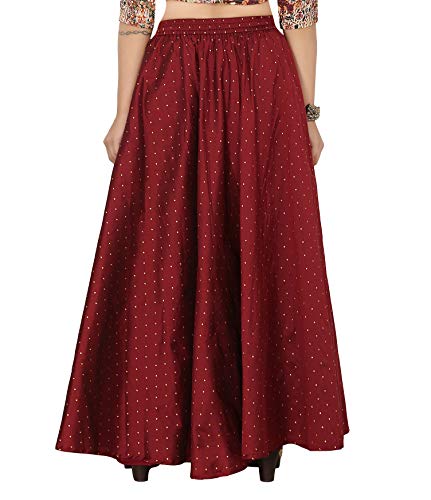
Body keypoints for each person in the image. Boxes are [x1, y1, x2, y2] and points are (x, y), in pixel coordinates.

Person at [55, 0, 349, 482]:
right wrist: (308, 113)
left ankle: (154, 432)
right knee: (183, 241)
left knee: (171, 242)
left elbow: (136, 16)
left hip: (198, 67)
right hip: (231, 68)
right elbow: (298, 14)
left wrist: (124, 111)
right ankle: (234, 433)